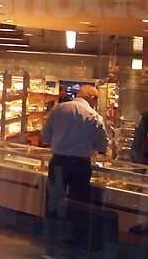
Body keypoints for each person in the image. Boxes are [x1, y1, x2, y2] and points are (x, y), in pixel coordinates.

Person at [41, 84, 107, 213]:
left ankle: (52, 224)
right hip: (81, 164)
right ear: (93, 98)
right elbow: (101, 144)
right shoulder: (94, 116)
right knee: (77, 203)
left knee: (54, 200)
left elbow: (45, 135)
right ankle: (73, 224)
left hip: (59, 161)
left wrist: (57, 143)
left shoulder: (59, 109)